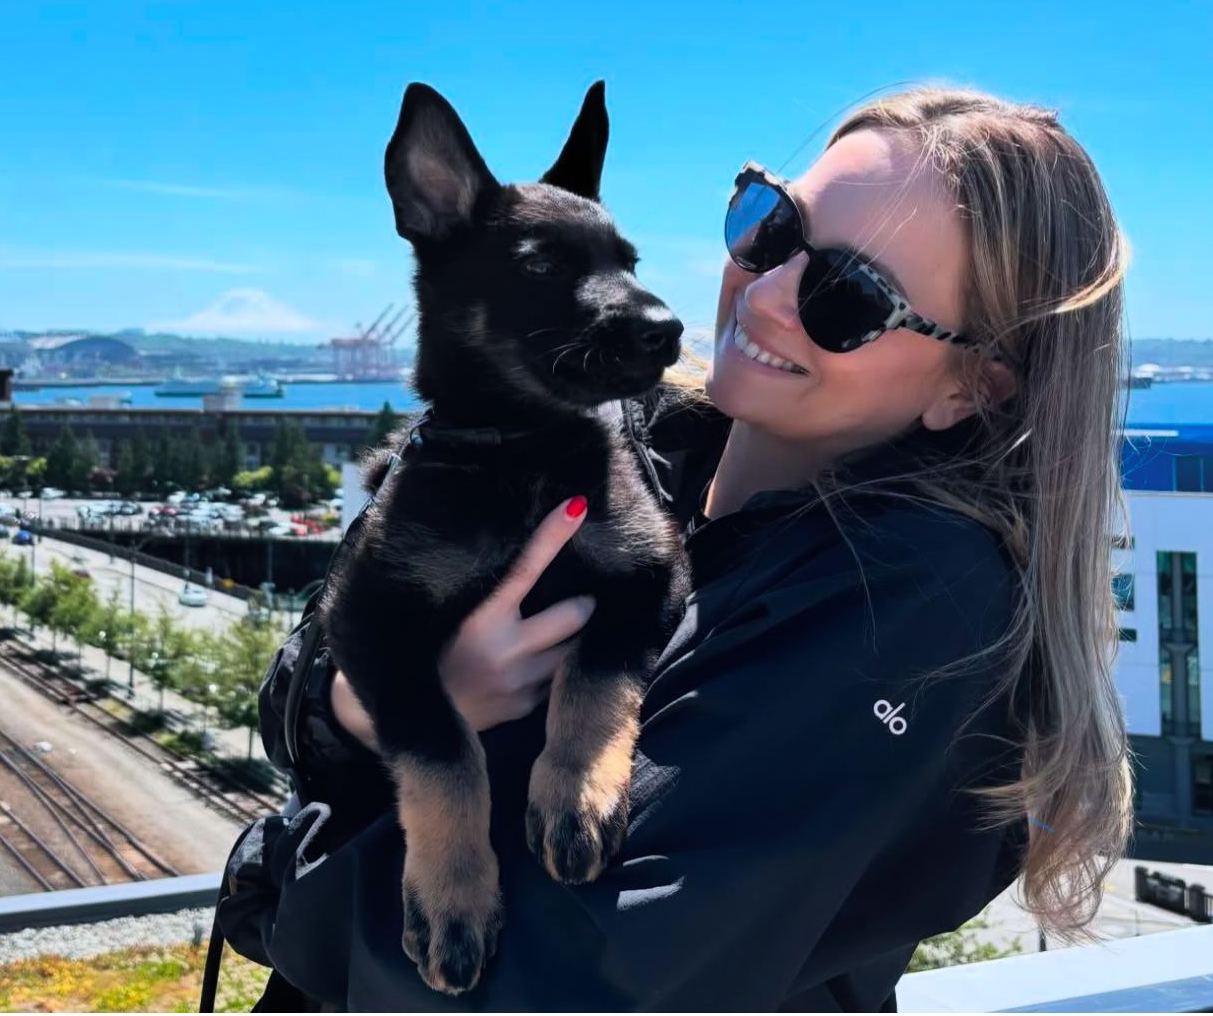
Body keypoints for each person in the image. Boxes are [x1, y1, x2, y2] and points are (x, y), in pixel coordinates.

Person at [216, 87, 1132, 1012]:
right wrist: (369, 708)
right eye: (771, 228)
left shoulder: (903, 605)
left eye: (849, 296)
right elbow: (307, 681)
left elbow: (575, 981)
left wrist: (276, 880)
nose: (764, 293)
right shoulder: (604, 430)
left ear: (972, 387)